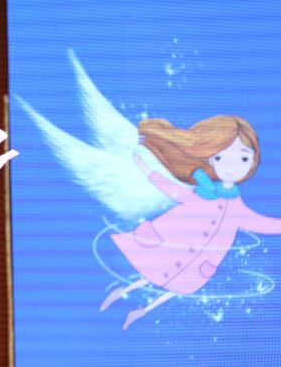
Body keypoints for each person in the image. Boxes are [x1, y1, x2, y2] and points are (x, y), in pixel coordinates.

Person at [99, 115, 281, 330]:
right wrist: (148, 170)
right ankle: (121, 292)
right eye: (221, 157)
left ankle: (140, 312)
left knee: (176, 288)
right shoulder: (201, 192)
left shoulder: (237, 208)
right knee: (151, 275)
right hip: (174, 247)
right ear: (211, 159)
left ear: (252, 161)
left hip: (199, 263)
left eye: (243, 158)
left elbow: (261, 223)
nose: (232, 167)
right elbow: (173, 190)